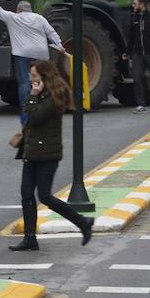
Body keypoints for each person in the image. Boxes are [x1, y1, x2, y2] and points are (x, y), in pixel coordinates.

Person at [9, 59, 93, 253]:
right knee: (26, 194)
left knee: (45, 196)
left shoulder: (55, 96)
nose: (31, 80)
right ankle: (30, 238)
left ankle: (83, 222)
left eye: (34, 77)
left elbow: (36, 117)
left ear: (44, 78)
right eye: (31, 76)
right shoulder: (43, 94)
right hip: (32, 151)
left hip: (47, 154)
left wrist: (32, 96)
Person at [0, 0, 65, 128]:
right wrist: (59, 45)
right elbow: (51, 32)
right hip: (40, 55)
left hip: (22, 54)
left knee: (24, 83)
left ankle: (26, 117)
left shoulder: (13, 17)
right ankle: (45, 111)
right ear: (30, 9)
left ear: (19, 10)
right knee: (43, 82)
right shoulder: (39, 18)